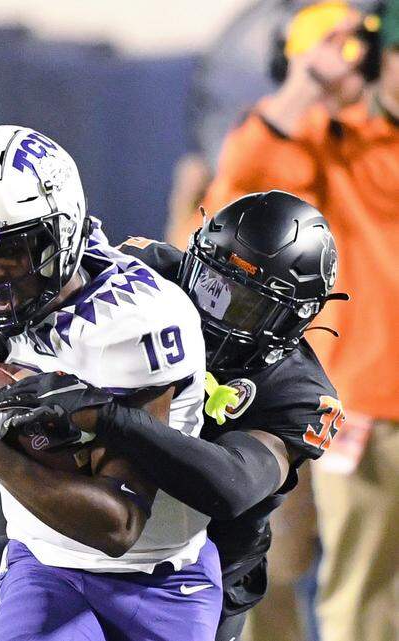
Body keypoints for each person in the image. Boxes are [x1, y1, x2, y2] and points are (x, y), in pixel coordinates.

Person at [0, 191, 344, 641]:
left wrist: (108, 418)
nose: (212, 310)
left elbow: (230, 486)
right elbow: (4, 315)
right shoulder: (146, 280)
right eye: (211, 283)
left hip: (181, 580)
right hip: (68, 542)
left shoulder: (296, 393)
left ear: (294, 318)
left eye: (245, 306)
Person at [0, 125, 219, 640]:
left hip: (160, 577)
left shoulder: (136, 320)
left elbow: (119, 526)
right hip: (46, 564)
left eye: (9, 249)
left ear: (59, 236)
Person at [199, 2, 399, 639]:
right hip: (308, 396)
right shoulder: (316, 140)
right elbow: (240, 193)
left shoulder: (359, 140)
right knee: (267, 573)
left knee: (351, 591)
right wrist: (307, 83)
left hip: (356, 401)